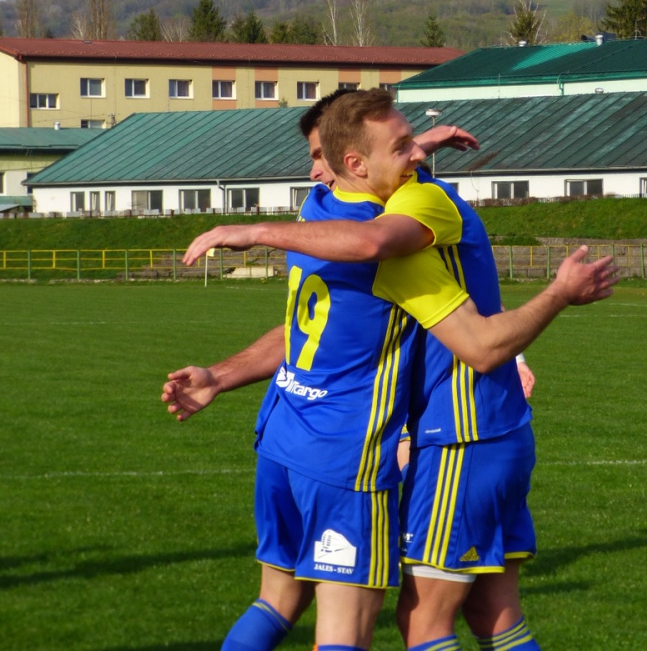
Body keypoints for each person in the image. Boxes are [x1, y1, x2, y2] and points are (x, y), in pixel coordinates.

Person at [182, 89, 618, 651]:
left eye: (319, 158)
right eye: (318, 158)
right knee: (490, 616)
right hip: (425, 438)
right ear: (355, 163)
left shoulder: (336, 220)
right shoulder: (367, 238)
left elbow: (384, 254)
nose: (315, 172)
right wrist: (556, 296)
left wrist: (253, 231)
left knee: (392, 619)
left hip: (425, 437)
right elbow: (377, 264)